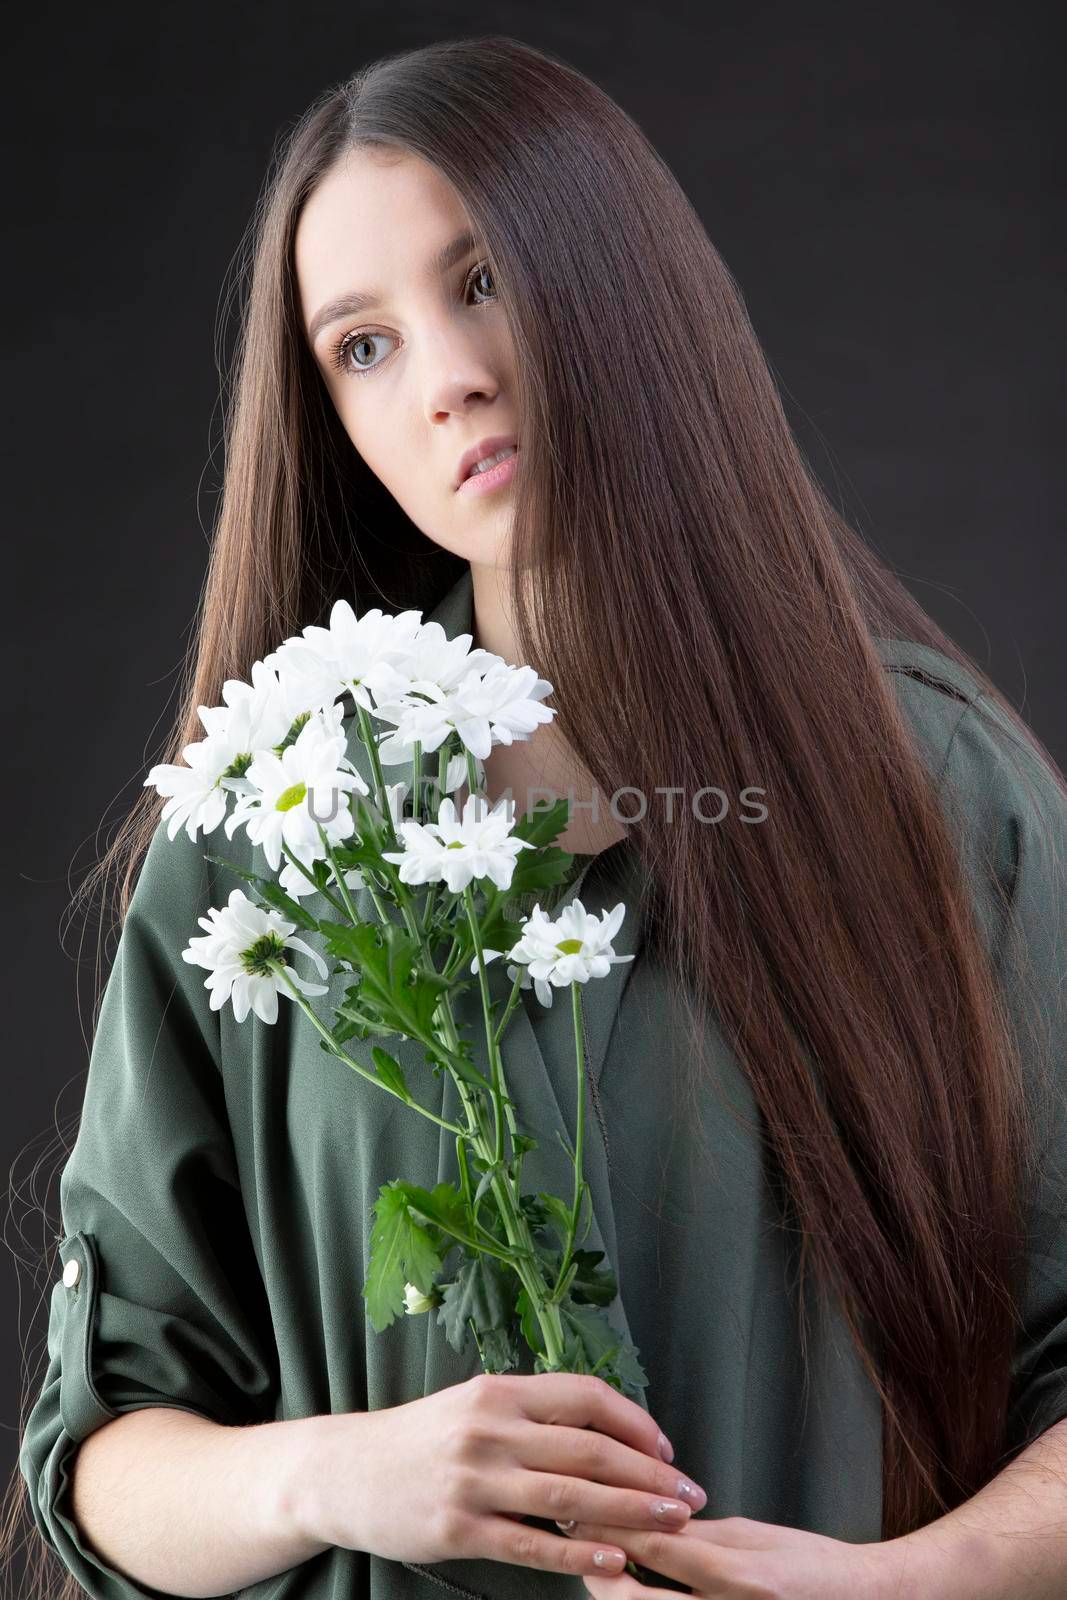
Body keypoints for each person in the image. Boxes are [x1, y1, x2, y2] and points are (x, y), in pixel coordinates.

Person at [9, 33, 1067, 1600]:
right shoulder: (264, 842)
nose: (446, 379)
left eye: (484, 280)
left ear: (618, 277)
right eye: (361, 347)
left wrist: (889, 1585)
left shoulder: (940, 788)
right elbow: (99, 1461)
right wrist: (338, 1472)